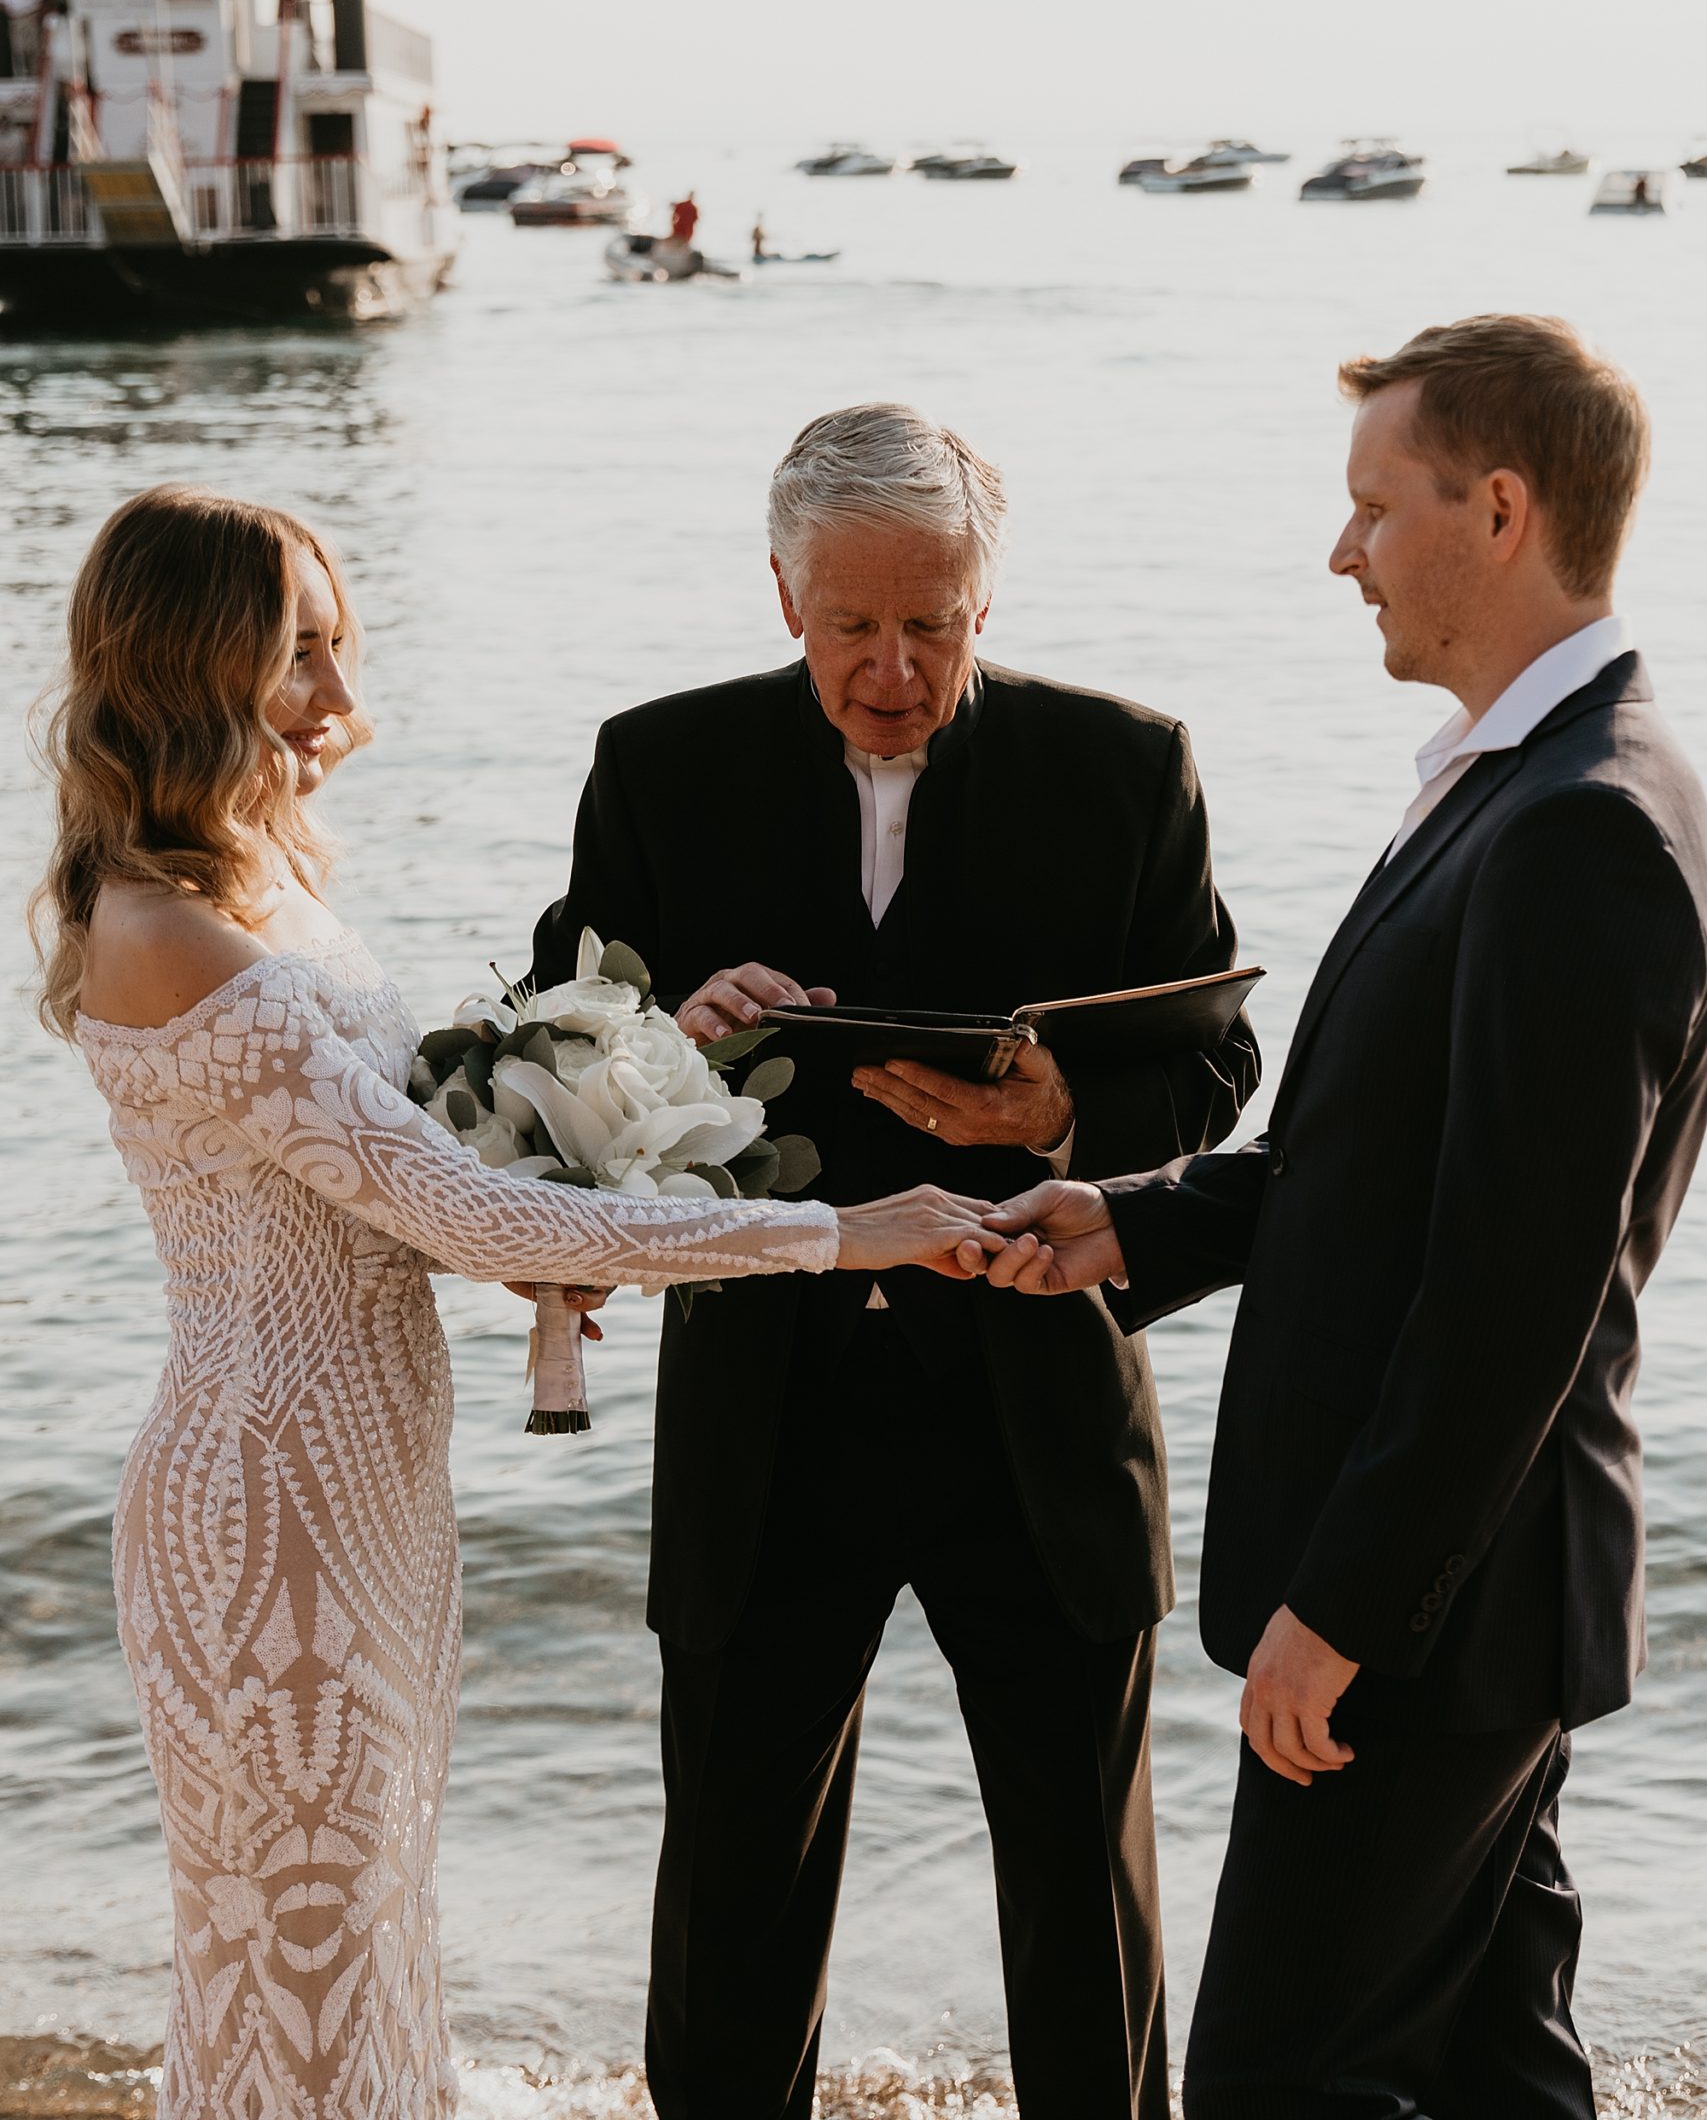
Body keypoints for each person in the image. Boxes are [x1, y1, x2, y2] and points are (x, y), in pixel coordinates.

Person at [33, 485, 1014, 2120]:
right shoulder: (166, 932)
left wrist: (650, 1069)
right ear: (188, 667)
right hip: (264, 1496)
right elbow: (451, 1204)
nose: (340, 697)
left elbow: (413, 1162)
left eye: (339, 647)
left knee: (366, 1924)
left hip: (364, 1478)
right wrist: (842, 1233)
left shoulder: (255, 893)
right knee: (294, 1962)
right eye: (297, 656)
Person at [981, 315, 1707, 2120]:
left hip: (1439, 1619)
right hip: (1477, 1604)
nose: (1341, 552)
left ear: (1502, 511)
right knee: (1493, 2068)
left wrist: (1349, 1612)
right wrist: (1134, 1219)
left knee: (1275, 2081)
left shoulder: (1582, 826)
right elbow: (1376, 1167)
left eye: (1376, 508)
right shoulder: (1524, 778)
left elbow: (1516, 1290)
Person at [530, 403, 1259, 2120]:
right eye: (853, 624)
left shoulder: (1127, 767)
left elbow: (1218, 1068)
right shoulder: (658, 764)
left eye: (932, 623)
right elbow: (552, 1075)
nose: (893, 668)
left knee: (1086, 1904)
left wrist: (1066, 1113)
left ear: (984, 601)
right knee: (731, 1902)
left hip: (1039, 1398)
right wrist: (664, 1035)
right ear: (785, 594)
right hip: (764, 1408)